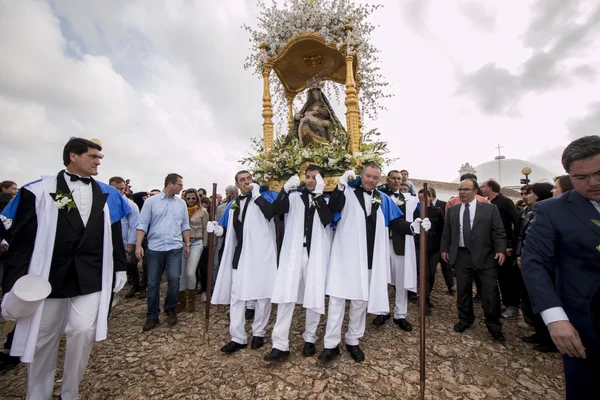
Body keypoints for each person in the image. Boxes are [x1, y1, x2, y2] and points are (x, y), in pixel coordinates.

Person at [0, 137, 129, 399]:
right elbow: (21, 242)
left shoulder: (107, 194)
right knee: (44, 337)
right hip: (50, 276)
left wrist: (119, 266)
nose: (98, 162)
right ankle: (38, 393)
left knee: (83, 330)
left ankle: (70, 391)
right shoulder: (40, 191)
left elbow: (114, 231)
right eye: (93, 156)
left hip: (91, 273)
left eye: (100, 158)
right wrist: (12, 284)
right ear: (73, 156)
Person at [318, 164, 431, 364]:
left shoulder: (383, 198)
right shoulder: (347, 193)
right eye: (368, 176)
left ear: (379, 179)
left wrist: (414, 226)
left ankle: (353, 339)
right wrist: (341, 185)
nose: (371, 180)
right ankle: (331, 345)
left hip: (371, 258)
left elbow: (396, 222)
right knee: (337, 301)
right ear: (361, 176)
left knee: (360, 301)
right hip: (345, 256)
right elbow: (332, 209)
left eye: (375, 177)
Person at [521, 135, 600, 399]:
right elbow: (535, 262)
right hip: (585, 325)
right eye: (582, 177)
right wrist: (555, 318)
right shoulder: (552, 211)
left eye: (599, 173)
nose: (594, 182)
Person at [264, 165, 334, 361]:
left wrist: (319, 196)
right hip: (293, 252)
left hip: (315, 253)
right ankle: (280, 343)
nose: (311, 180)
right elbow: (274, 211)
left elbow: (328, 220)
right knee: (286, 294)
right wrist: (285, 190)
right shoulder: (294, 198)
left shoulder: (326, 200)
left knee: (314, 292)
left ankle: (310, 338)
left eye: (315, 177)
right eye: (308, 177)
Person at [210, 171, 277, 353]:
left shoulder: (264, 198)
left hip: (260, 254)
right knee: (236, 296)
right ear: (237, 185)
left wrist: (256, 196)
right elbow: (229, 229)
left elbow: (271, 214)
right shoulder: (233, 204)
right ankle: (237, 336)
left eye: (249, 179)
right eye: (242, 180)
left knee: (263, 294)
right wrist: (216, 229)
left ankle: (259, 333)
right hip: (239, 254)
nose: (246, 182)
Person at [441, 178, 507, 342]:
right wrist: (445, 249)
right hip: (462, 256)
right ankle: (465, 320)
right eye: (460, 190)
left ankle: (494, 326)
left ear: (475, 191)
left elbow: (498, 231)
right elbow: (447, 233)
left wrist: (500, 250)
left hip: (485, 256)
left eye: (466, 189)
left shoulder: (490, 209)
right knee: (463, 291)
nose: (462, 192)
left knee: (490, 293)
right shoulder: (453, 210)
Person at [136, 173, 191, 331]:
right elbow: (142, 224)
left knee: (174, 279)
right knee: (153, 282)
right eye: (180, 185)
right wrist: (139, 245)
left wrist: (187, 244)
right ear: (171, 184)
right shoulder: (151, 202)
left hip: (174, 247)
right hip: (155, 247)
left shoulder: (180, 204)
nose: (182, 188)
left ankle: (170, 308)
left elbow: (185, 225)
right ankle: (152, 315)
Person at [373, 170, 418, 330]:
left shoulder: (408, 199)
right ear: (387, 179)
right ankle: (382, 310)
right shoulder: (378, 196)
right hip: (382, 242)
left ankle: (400, 314)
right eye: (394, 178)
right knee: (381, 278)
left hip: (400, 243)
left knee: (400, 279)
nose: (397, 181)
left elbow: (416, 218)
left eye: (399, 179)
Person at [514, 182, 557, 353]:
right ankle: (539, 332)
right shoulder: (528, 212)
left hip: (541, 263)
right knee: (529, 297)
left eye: (528, 193)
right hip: (526, 260)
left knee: (541, 296)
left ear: (538, 195)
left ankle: (549, 338)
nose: (524, 196)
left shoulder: (544, 214)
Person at [480, 180, 519, 319]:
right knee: (499, 277)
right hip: (491, 245)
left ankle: (513, 305)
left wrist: (511, 246)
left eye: (483, 186)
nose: (481, 188)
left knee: (508, 277)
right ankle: (505, 302)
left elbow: (516, 223)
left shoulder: (505, 202)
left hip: (505, 246)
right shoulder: (487, 202)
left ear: (490, 187)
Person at [176, 189, 208, 313]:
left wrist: (205, 244)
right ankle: (182, 301)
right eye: (188, 198)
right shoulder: (181, 210)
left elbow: (205, 228)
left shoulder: (202, 211)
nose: (190, 200)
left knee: (190, 272)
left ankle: (191, 301)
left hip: (196, 242)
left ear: (197, 199)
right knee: (181, 273)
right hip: (182, 242)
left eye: (193, 198)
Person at [109, 177, 140, 299]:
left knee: (130, 265)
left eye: (121, 189)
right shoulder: (103, 202)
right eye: (115, 189)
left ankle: (135, 285)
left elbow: (134, 227)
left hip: (124, 242)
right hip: (106, 242)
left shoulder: (131, 206)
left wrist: (129, 247)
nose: (119, 192)